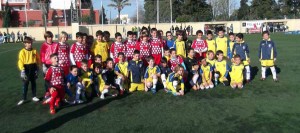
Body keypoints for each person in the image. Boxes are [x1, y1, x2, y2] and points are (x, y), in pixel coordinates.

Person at [17, 37, 40, 105]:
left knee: (33, 83)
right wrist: (22, 69)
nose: (30, 44)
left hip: (33, 67)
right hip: (26, 68)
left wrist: (38, 67)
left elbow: (38, 59)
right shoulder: (22, 51)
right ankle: (23, 98)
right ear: (25, 44)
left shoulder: (34, 51)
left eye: (31, 43)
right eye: (28, 43)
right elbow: (20, 61)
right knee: (25, 84)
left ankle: (34, 96)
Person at [40, 31, 58, 96]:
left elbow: (58, 53)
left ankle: (55, 90)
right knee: (47, 78)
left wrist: (57, 61)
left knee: (54, 78)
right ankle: (47, 91)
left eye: (50, 37)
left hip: (54, 64)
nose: (50, 38)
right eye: (48, 37)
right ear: (46, 38)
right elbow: (42, 54)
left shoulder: (56, 44)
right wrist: (43, 64)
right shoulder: (44, 45)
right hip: (47, 64)